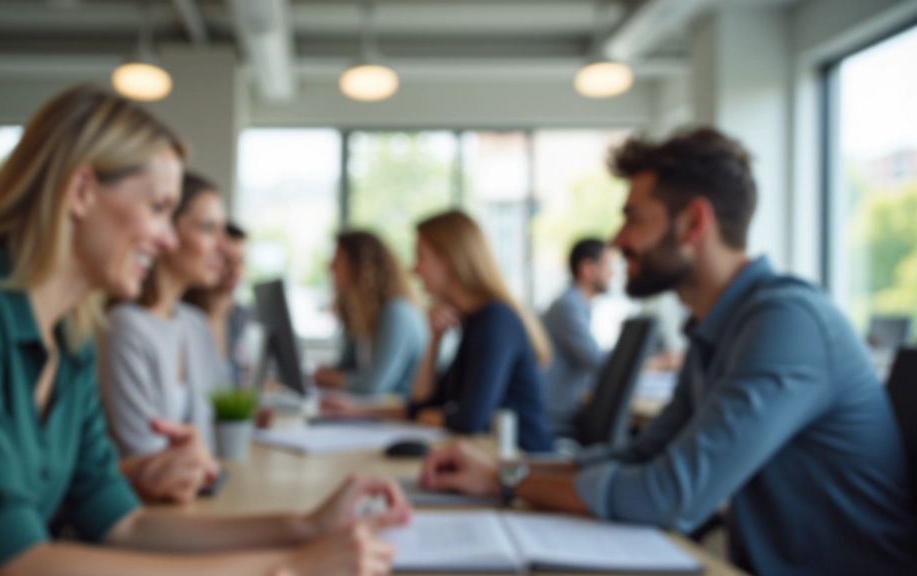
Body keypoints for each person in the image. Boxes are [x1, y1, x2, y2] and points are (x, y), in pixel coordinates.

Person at [0, 84, 408, 576]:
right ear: (81, 191)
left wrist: (305, 528)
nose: (167, 240)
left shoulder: (71, 337)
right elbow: (11, 561)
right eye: (159, 208)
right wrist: (287, 568)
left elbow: (123, 523)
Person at [418, 128, 917, 575]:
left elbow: (671, 494)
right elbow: (642, 454)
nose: (617, 239)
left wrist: (508, 478)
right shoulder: (717, 328)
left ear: (693, 223)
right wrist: (502, 473)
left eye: (633, 218)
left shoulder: (788, 324)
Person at [326, 211, 554, 453]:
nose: (414, 270)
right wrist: (433, 339)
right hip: (488, 459)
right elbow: (422, 403)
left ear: (447, 261)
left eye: (420, 257)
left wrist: (426, 415)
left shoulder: (495, 319)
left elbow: (469, 420)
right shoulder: (470, 322)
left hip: (523, 464)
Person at [98, 171, 230, 499]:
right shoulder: (125, 325)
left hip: (194, 495)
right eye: (207, 228)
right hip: (147, 504)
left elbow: (218, 429)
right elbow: (148, 458)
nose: (223, 247)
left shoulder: (196, 322)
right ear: (167, 229)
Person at [313, 231, 428, 397]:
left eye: (338, 259)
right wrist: (317, 375)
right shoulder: (361, 313)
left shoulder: (396, 312)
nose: (330, 266)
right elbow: (346, 366)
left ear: (359, 265)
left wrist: (330, 378)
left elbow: (374, 384)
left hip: (395, 409)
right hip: (371, 407)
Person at [540, 238, 612, 437]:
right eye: (608, 265)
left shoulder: (578, 306)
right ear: (588, 269)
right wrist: (657, 362)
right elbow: (596, 360)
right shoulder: (567, 306)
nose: (612, 273)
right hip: (553, 418)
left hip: (562, 412)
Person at [184, 222, 253, 385]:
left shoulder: (244, 317)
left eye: (241, 261)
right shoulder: (188, 315)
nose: (236, 271)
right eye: (227, 261)